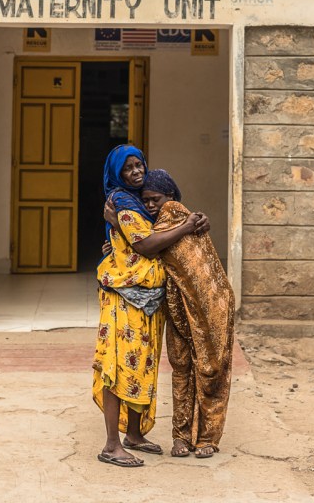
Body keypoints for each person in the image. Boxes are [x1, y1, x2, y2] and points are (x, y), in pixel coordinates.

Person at [105, 168, 235, 460]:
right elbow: (147, 245)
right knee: (181, 370)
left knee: (210, 370)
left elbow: (150, 247)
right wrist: (120, 231)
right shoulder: (151, 221)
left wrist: (120, 227)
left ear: (172, 196)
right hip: (177, 306)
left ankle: (207, 438)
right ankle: (181, 436)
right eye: (146, 200)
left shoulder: (175, 212)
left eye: (156, 199)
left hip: (207, 306)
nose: (151, 205)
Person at [92, 145, 205, 468]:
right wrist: (184, 227)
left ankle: (134, 434)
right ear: (117, 173)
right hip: (124, 297)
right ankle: (112, 445)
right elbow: (147, 246)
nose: (135, 172)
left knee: (142, 363)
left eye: (138, 165)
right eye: (127, 168)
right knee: (117, 367)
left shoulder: (142, 203)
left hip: (147, 297)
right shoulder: (123, 204)